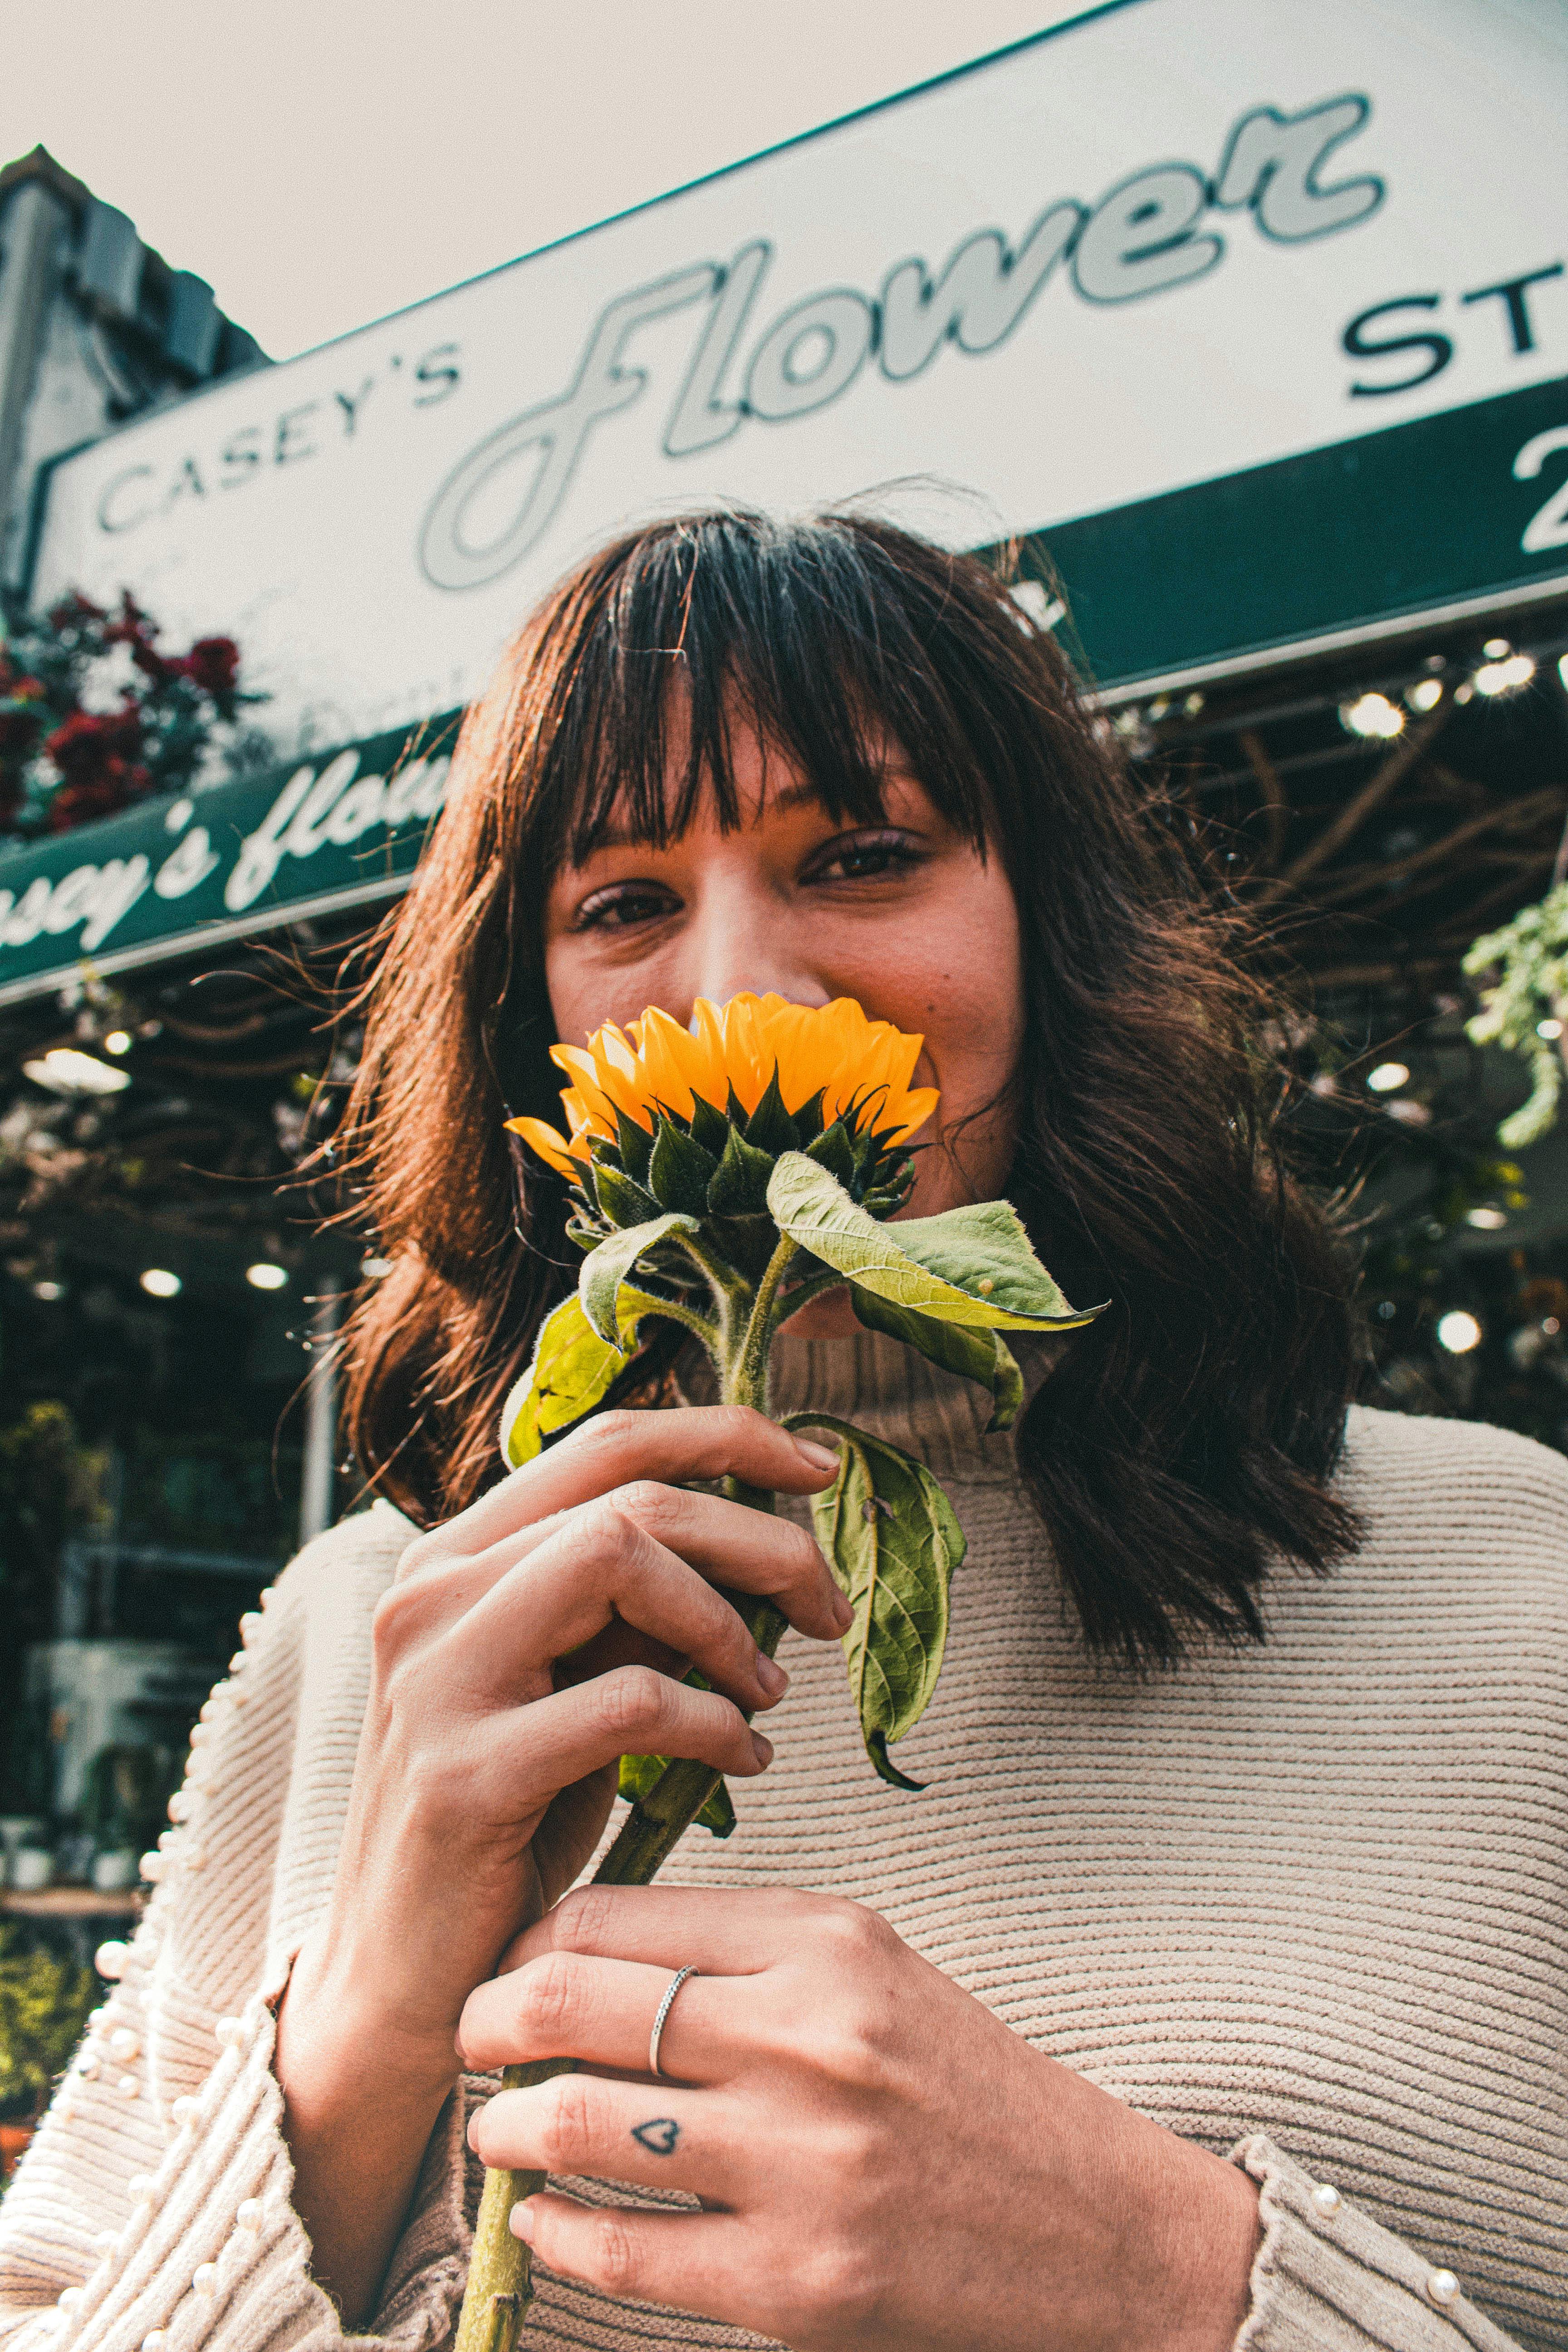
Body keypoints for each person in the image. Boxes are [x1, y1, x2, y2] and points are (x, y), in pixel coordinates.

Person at [3, 510, 1562, 2352]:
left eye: (867, 854)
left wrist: (1175, 2280)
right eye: (622, 904)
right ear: (537, 1028)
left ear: (1056, 939)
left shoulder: (1515, 1589)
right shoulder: (371, 1627)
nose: (737, 990)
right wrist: (352, 2050)